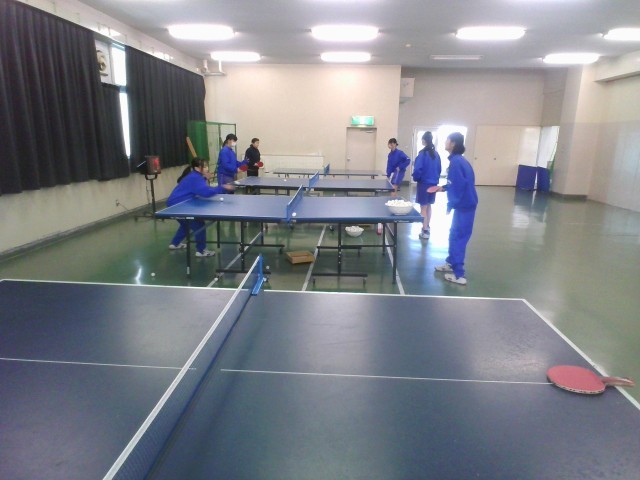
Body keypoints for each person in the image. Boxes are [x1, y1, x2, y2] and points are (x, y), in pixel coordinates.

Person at [431, 132, 478, 285]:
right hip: (463, 205)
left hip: (465, 205)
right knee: (453, 234)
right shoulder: (459, 161)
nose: (445, 142)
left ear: (453, 143)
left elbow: (459, 186)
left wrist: (450, 204)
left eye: (447, 140)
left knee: (459, 238)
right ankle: (451, 263)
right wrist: (444, 188)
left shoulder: (457, 163)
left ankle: (459, 275)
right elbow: (457, 183)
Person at [167, 157, 232, 257]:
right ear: (197, 168)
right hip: (178, 205)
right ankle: (201, 251)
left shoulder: (194, 175)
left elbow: (196, 187)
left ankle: (175, 243)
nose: (206, 168)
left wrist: (205, 178)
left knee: (186, 224)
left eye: (206, 166)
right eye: (204, 166)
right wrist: (222, 187)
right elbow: (206, 192)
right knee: (198, 224)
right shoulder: (195, 178)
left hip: (174, 204)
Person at [412, 131, 441, 239]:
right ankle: (427, 226)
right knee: (429, 205)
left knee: (423, 207)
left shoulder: (422, 154)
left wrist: (416, 178)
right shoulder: (436, 154)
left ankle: (424, 231)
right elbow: (439, 169)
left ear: (424, 140)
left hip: (424, 183)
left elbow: (417, 169)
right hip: (433, 183)